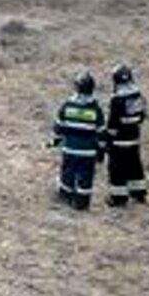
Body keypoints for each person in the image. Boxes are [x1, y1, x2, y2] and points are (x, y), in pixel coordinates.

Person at [51, 71, 105, 211]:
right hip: (88, 152)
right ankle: (82, 203)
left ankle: (65, 197)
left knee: (67, 173)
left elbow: (58, 127)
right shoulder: (95, 109)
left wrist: (57, 140)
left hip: (69, 149)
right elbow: (101, 132)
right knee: (85, 177)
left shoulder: (67, 105)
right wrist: (101, 150)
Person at [105, 64, 149, 206]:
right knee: (135, 165)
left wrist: (108, 138)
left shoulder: (116, 99)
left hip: (119, 141)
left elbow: (113, 122)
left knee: (117, 169)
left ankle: (118, 198)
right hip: (134, 138)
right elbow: (142, 116)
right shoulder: (137, 95)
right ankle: (139, 193)